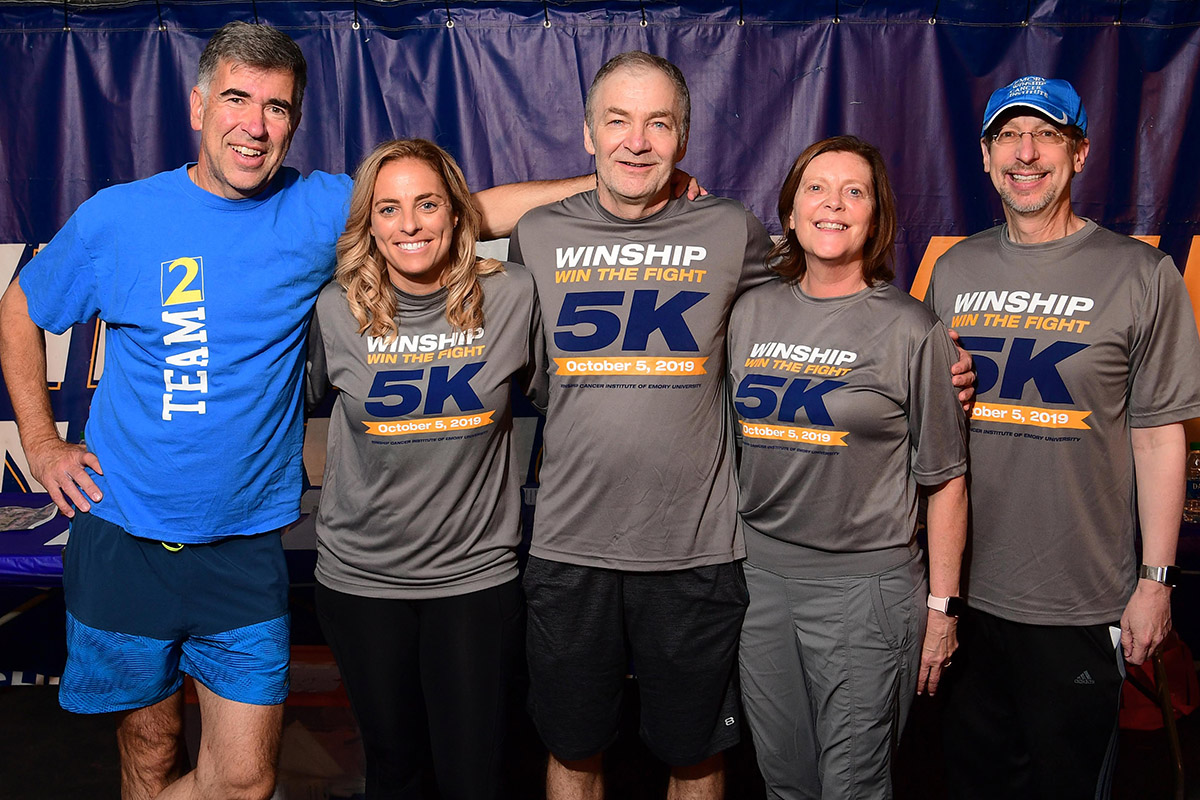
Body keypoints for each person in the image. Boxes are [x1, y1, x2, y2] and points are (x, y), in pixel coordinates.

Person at [0, 22, 591, 800]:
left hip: (244, 542)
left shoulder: (320, 208)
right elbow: (22, 308)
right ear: (197, 105)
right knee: (149, 755)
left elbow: (464, 209)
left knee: (243, 781)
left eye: (277, 108)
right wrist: (42, 445)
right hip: (125, 532)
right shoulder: (120, 217)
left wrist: (606, 187)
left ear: (294, 122)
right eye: (238, 99)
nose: (255, 125)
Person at [509, 52, 974, 800]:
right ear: (586, 133)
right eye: (617, 123)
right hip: (571, 547)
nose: (637, 141)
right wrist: (589, 183)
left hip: (700, 552)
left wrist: (931, 352)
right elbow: (442, 215)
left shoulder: (730, 230)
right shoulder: (538, 235)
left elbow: (829, 288)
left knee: (698, 752)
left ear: (684, 138)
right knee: (574, 748)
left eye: (658, 124)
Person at [925, 76, 1200, 800]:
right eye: (1009, 136)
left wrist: (1155, 580)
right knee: (972, 782)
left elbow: (1159, 436)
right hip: (969, 601)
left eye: (1046, 134)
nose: (1026, 152)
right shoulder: (954, 272)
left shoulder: (1142, 275)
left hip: (1081, 603)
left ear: (1078, 153)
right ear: (985, 157)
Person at [727, 135, 967, 800]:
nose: (832, 204)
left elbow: (946, 479)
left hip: (866, 592)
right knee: (784, 783)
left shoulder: (912, 329)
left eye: (853, 191)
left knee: (854, 786)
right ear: (791, 211)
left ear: (876, 216)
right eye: (815, 188)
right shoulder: (749, 311)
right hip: (761, 584)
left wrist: (941, 610)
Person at [306, 138, 545, 800]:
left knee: (476, 774)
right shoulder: (334, 309)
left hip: (475, 579)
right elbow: (268, 410)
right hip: (362, 583)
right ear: (369, 223)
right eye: (389, 208)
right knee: (393, 769)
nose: (409, 224)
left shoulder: (514, 297)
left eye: (427, 203)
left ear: (456, 212)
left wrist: (641, 185)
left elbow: (573, 398)